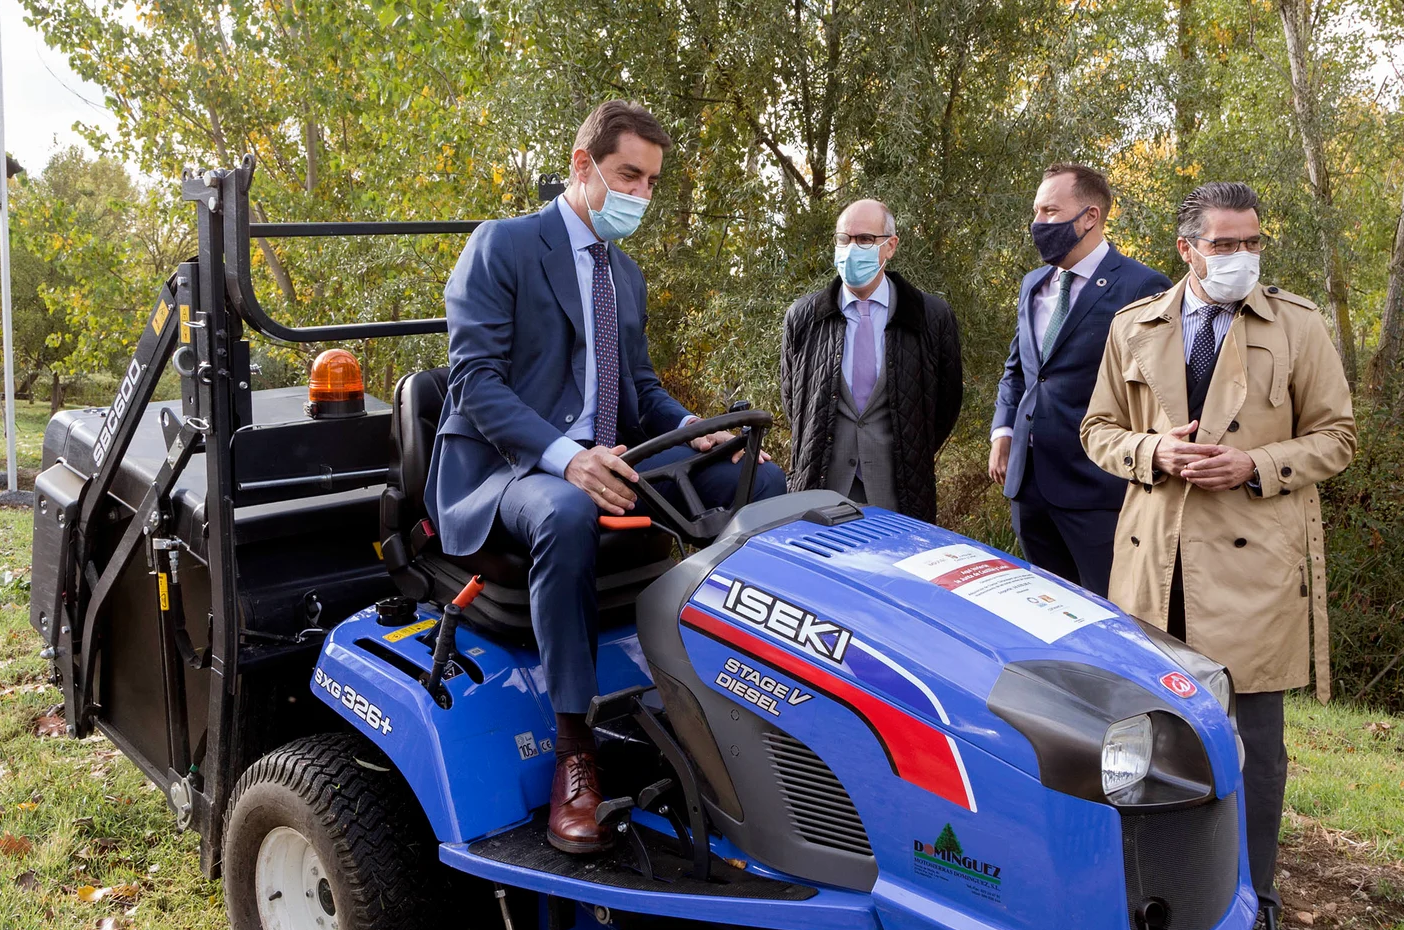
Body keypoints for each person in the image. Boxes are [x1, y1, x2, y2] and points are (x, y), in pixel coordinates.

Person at [430, 100, 788, 854]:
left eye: (653, 182)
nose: (641, 195)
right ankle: (574, 751)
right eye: (630, 174)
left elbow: (641, 392)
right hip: (512, 467)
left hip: (610, 453)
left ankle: (737, 701)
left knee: (762, 481)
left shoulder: (623, 273)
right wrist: (569, 456)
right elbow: (475, 384)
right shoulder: (503, 247)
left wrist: (697, 430)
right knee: (565, 510)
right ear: (582, 164)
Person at [1080, 181, 1355, 905]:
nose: (1241, 256)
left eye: (1252, 242)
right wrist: (1152, 452)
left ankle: (1251, 897)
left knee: (1255, 748)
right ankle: (1156, 892)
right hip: (1153, 564)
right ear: (1187, 249)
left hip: (1252, 571)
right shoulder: (1134, 325)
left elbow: (1338, 436)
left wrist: (1256, 466)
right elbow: (1097, 430)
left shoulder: (1298, 325)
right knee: (1144, 739)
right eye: (1224, 244)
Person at [990, 164, 1170, 595]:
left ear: (1090, 216)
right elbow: (1020, 369)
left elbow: (1159, 394)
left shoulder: (1142, 286)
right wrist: (1002, 430)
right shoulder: (1033, 284)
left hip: (1098, 490)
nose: (1038, 223)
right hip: (1027, 487)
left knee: (1112, 618)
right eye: (1036, 210)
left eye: (1051, 210)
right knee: (1051, 615)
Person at [779, 199, 963, 520]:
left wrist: (910, 451)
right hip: (820, 492)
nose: (851, 249)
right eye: (844, 239)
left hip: (900, 492)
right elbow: (794, 400)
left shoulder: (930, 316)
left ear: (890, 247)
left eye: (865, 239)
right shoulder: (804, 316)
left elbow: (945, 405)